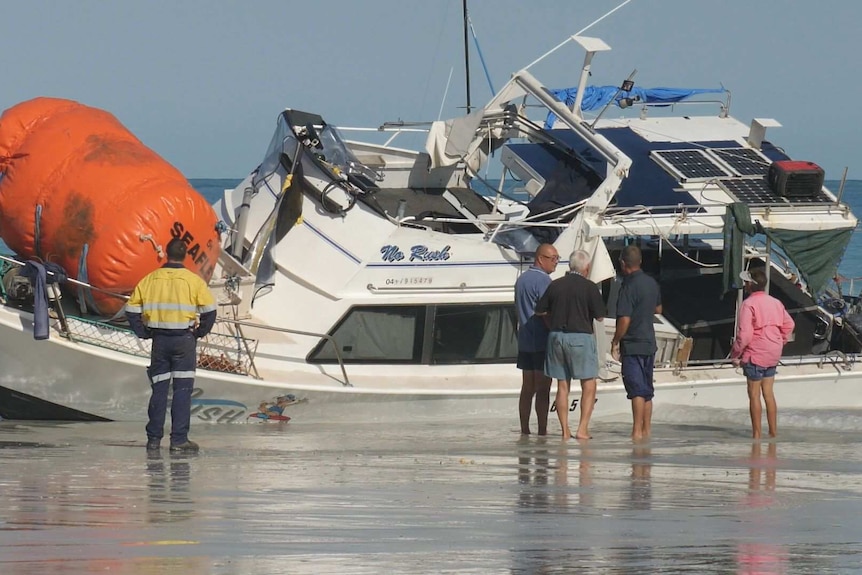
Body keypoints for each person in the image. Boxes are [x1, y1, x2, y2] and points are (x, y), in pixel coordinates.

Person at [126, 238, 217, 453]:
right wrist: (199, 332)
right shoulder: (192, 281)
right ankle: (178, 441)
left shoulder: (150, 279)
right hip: (183, 341)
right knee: (182, 391)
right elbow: (210, 312)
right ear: (185, 255)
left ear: (166, 254)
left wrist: (143, 332)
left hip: (160, 341)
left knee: (159, 390)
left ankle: (154, 439)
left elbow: (131, 310)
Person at [534, 250, 606, 440]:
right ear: (586, 268)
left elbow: (540, 311)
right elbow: (599, 316)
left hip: (556, 337)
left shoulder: (555, 285)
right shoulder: (590, 287)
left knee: (562, 386)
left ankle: (565, 431)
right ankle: (582, 429)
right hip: (581, 337)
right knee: (589, 384)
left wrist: (552, 324)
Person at [730, 267, 794, 439]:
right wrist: (781, 339)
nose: (744, 285)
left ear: (750, 284)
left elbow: (744, 335)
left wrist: (735, 354)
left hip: (756, 353)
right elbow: (789, 325)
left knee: (754, 394)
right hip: (773, 352)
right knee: (768, 393)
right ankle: (773, 433)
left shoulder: (748, 304)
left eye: (746, 282)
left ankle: (757, 435)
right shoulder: (775, 302)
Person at [611, 245, 662, 442]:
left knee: (636, 390)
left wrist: (616, 340)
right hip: (649, 341)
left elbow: (624, 319)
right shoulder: (651, 283)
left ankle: (636, 432)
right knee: (647, 390)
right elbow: (658, 308)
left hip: (633, 343)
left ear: (623, 264)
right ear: (639, 262)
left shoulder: (627, 286)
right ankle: (647, 431)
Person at [514, 243, 559, 435]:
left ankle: (525, 428)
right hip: (541, 340)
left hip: (525, 339)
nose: (556, 263)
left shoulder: (521, 279)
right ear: (540, 258)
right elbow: (545, 311)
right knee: (543, 389)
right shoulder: (544, 281)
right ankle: (542, 430)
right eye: (553, 258)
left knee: (527, 388)